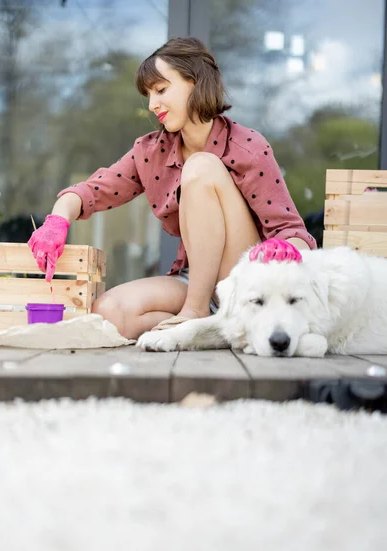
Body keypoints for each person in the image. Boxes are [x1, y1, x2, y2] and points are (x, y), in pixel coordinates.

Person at [28, 37, 316, 340]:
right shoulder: (152, 151)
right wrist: (57, 220)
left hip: (246, 283)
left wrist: (280, 250)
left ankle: (196, 314)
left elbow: (294, 235)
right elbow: (93, 190)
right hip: (194, 281)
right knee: (110, 312)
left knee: (201, 166)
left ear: (195, 82)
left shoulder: (248, 147)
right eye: (149, 95)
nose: (153, 105)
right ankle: (214, 331)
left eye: (161, 90)